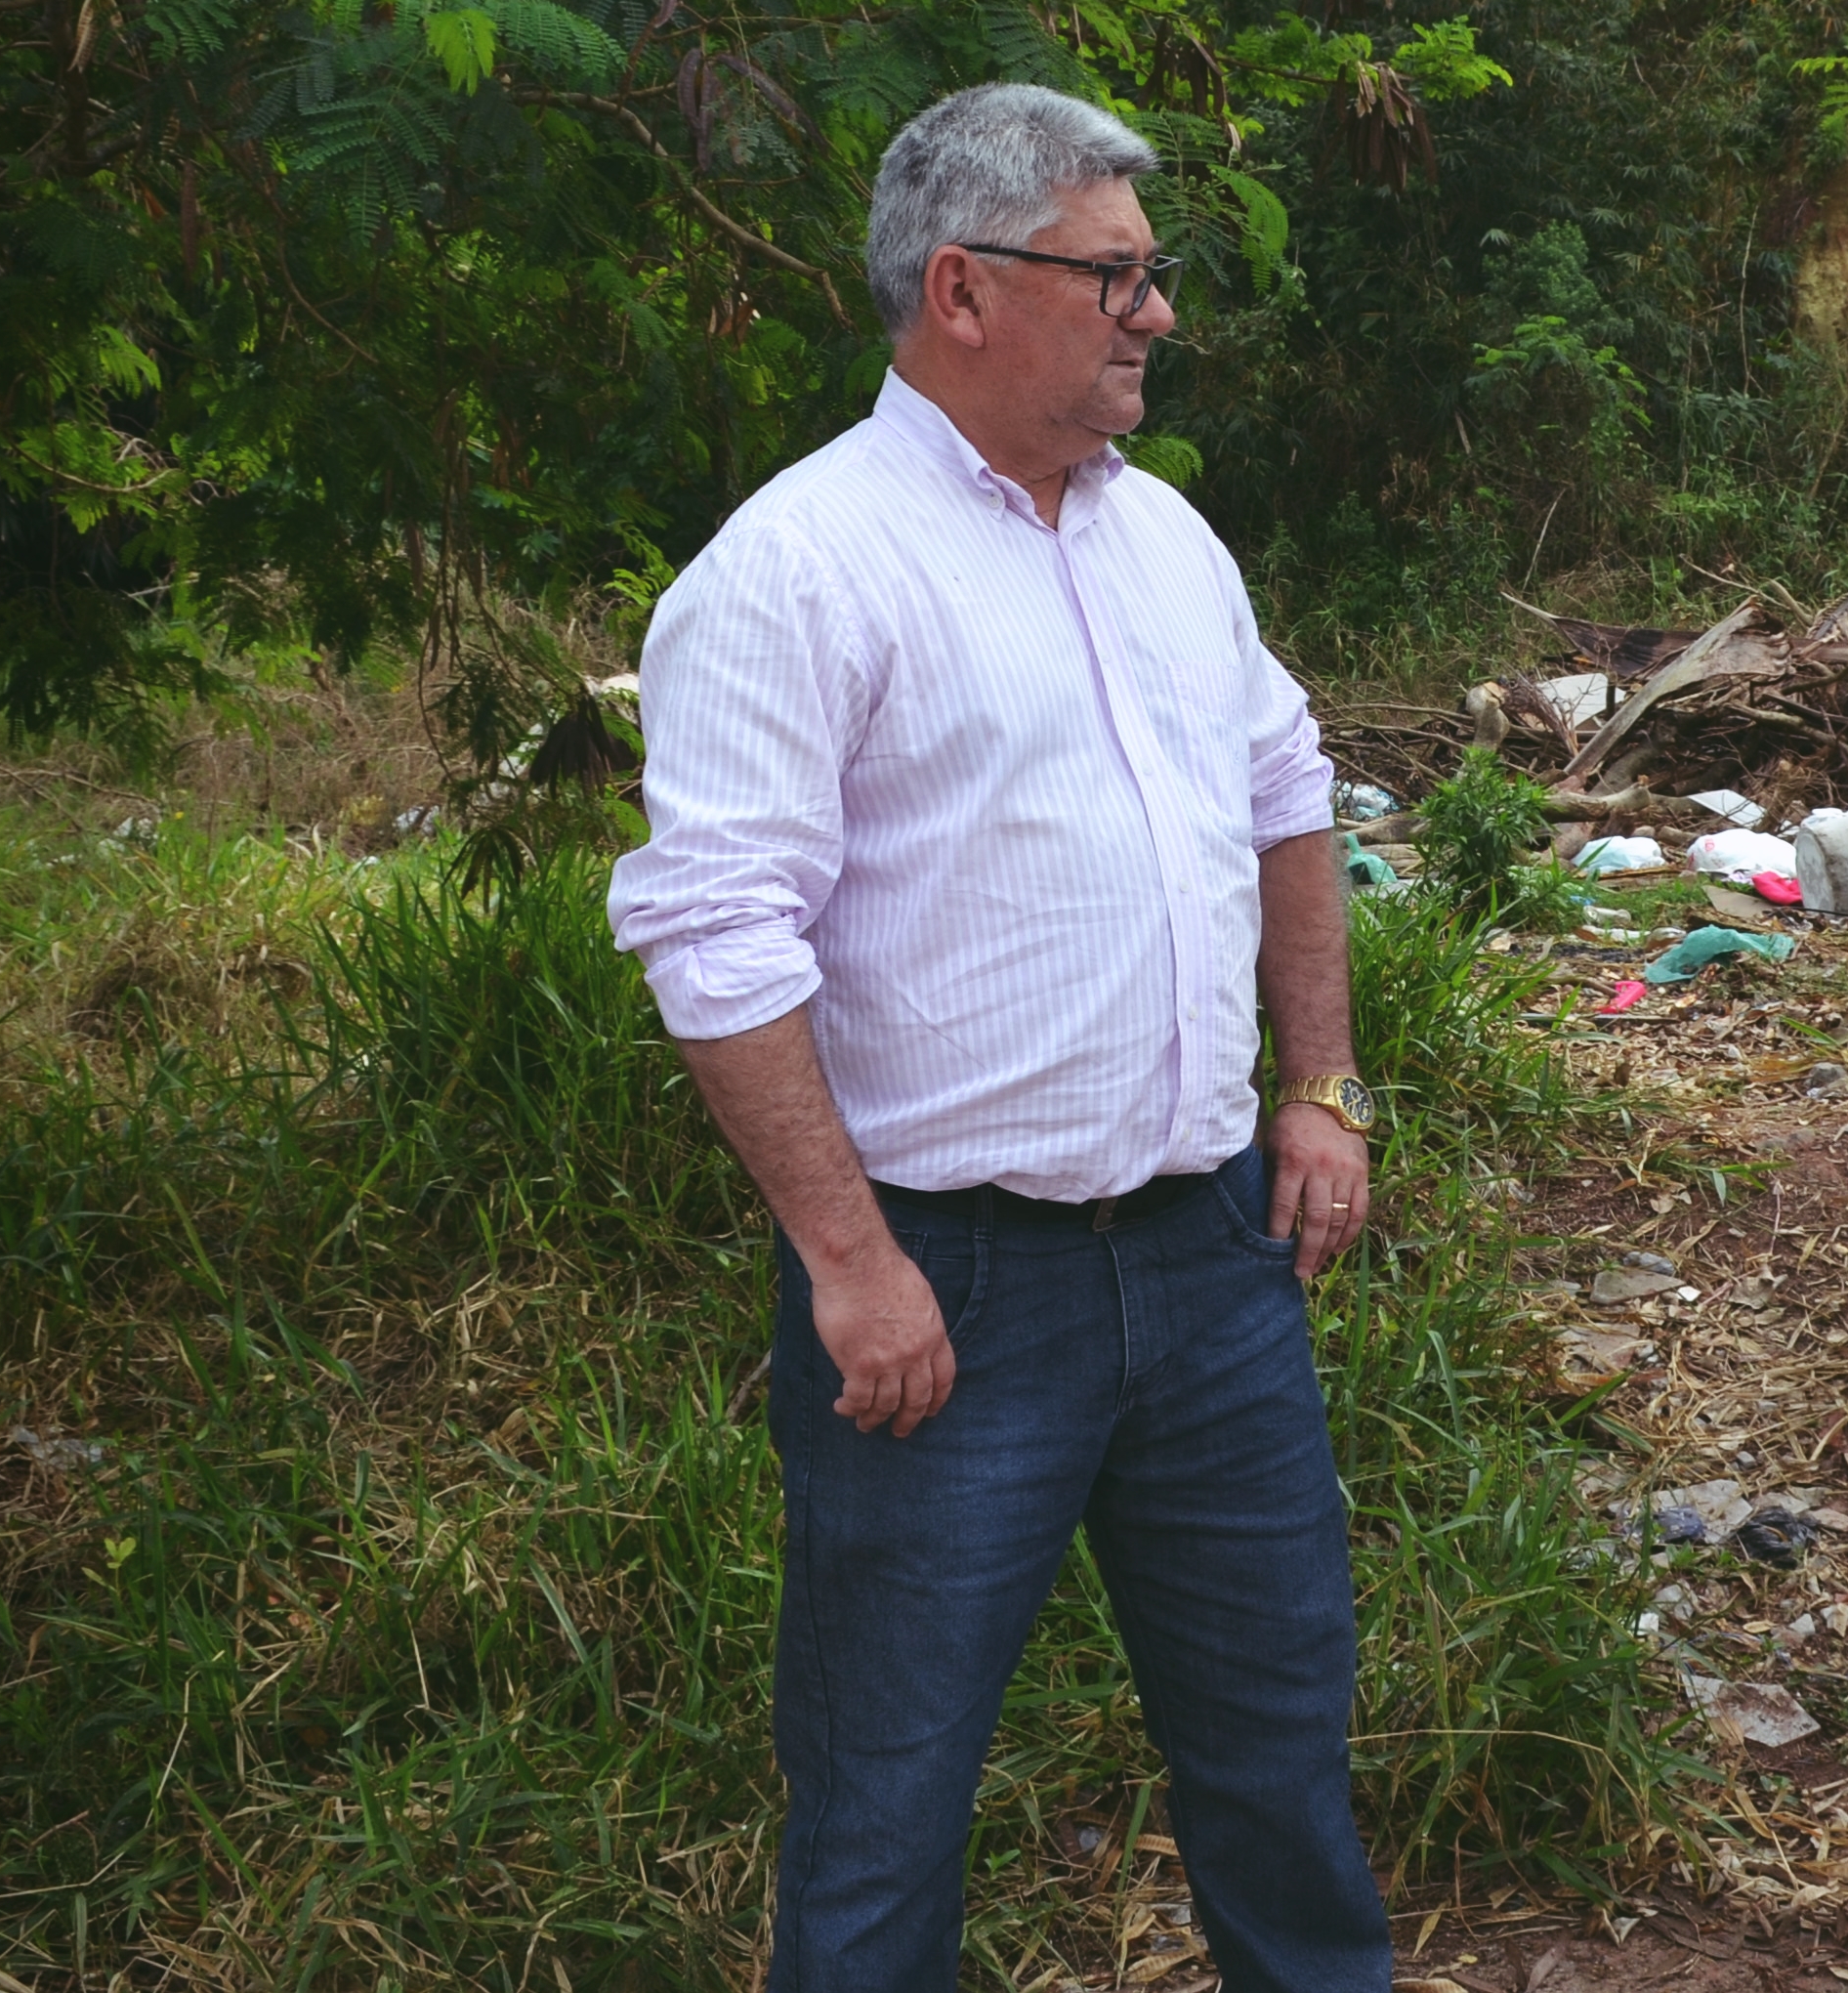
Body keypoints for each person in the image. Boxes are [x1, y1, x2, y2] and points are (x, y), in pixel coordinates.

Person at [604, 81, 1395, 1993]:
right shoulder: (797, 572)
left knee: (1283, 1767)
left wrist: (1323, 1086)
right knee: (881, 1819)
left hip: (1216, 1267)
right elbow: (714, 938)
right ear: (962, 290)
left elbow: (1291, 796)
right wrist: (850, 1261)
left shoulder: (1168, 546)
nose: (1156, 312)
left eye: (1153, 274)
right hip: (947, 1298)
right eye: (1114, 274)